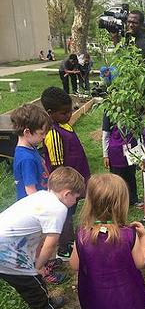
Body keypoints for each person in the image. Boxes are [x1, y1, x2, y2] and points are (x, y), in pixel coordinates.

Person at [0, 166, 85, 309]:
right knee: (33, 287)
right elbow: (51, 243)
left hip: (7, 245)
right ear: (67, 194)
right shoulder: (58, 208)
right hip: (7, 256)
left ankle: (48, 302)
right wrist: (39, 266)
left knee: (36, 280)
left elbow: (41, 236)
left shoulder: (42, 195)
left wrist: (37, 259)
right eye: (76, 198)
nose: (76, 201)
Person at [69, 173, 145, 309]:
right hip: (128, 300)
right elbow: (140, 262)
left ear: (90, 203)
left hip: (95, 299)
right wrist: (143, 238)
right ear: (121, 204)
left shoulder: (82, 234)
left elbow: (75, 265)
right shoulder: (128, 234)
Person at [41, 86, 90, 261]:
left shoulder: (64, 125)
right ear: (50, 112)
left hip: (75, 180)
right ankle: (64, 248)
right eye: (64, 113)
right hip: (65, 185)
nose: (68, 115)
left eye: (70, 111)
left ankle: (68, 241)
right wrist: (63, 188)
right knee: (64, 214)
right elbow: (57, 166)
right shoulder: (53, 133)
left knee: (70, 212)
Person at [10, 104, 52, 200]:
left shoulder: (30, 147)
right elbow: (31, 191)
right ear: (27, 132)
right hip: (33, 206)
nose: (44, 136)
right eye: (42, 133)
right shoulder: (27, 159)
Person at [102, 113, 141, 207]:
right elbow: (105, 135)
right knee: (117, 177)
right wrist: (105, 155)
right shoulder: (109, 112)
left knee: (131, 175)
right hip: (116, 151)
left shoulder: (133, 107)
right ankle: (117, 201)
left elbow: (139, 131)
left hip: (132, 148)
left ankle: (132, 199)